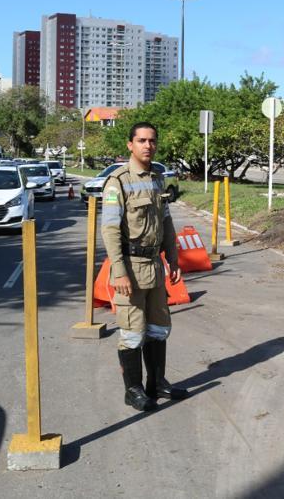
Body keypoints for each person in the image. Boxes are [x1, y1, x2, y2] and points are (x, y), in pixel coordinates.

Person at [100, 122, 188, 411]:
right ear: (130, 145)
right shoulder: (117, 181)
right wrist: (119, 271)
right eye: (141, 140)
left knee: (159, 328)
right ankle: (133, 390)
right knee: (132, 332)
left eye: (152, 140)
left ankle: (156, 383)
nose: (147, 145)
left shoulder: (157, 179)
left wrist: (173, 258)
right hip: (131, 267)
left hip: (155, 265)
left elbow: (166, 221)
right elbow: (110, 230)